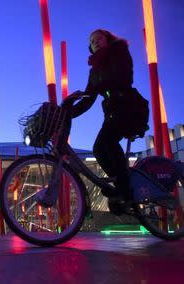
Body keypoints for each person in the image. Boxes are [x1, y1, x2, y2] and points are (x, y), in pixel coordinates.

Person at [67, 29, 148, 215]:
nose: (95, 42)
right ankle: (120, 184)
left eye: (99, 38)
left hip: (128, 107)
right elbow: (88, 99)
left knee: (109, 142)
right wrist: (68, 112)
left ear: (107, 39)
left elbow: (124, 77)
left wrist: (101, 84)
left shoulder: (118, 51)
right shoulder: (94, 70)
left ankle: (124, 189)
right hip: (112, 113)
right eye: (92, 41)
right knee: (98, 149)